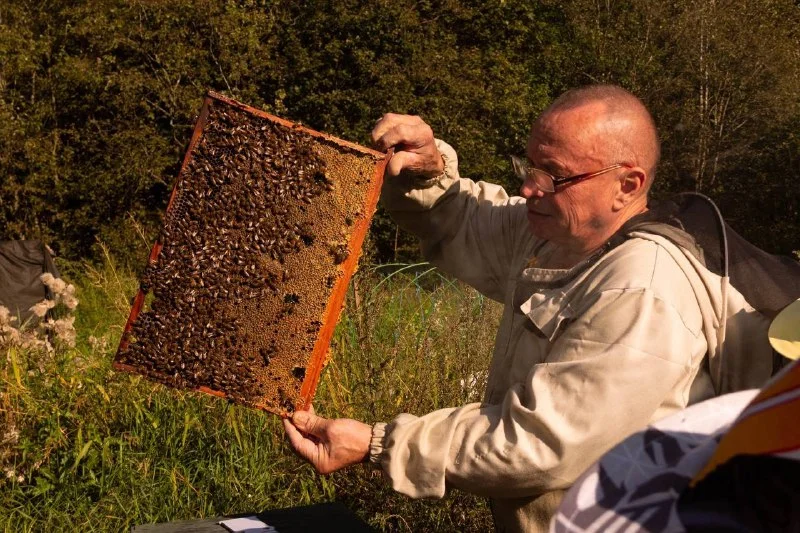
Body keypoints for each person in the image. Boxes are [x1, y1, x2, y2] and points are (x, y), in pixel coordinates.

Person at [283, 85, 775, 532]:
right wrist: (430, 172)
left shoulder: (642, 290)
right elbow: (467, 222)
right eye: (529, 167)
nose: (528, 188)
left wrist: (379, 444)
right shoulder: (557, 229)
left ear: (627, 185)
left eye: (555, 176)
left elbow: (537, 442)